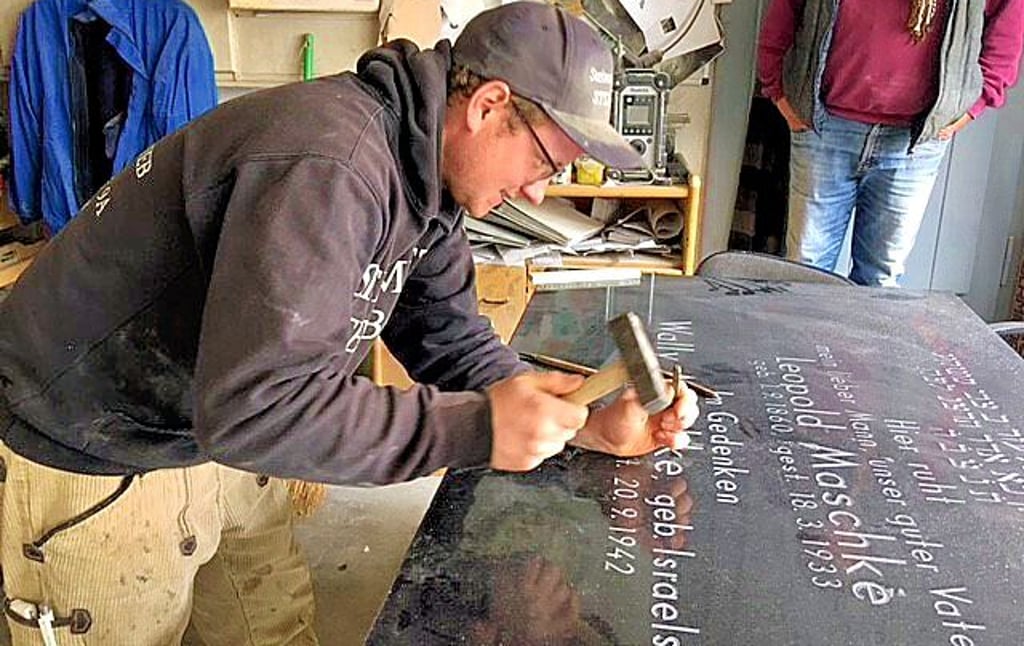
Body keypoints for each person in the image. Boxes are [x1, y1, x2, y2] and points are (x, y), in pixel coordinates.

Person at [0, 2, 699, 644]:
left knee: (271, 627)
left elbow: (448, 339)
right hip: (91, 441)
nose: (538, 192)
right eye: (546, 161)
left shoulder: (427, 176)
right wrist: (479, 426)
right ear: (489, 106)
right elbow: (255, 409)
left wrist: (587, 423)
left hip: (209, 420)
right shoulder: (329, 165)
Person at [758, 0, 1024, 286]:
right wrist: (778, 91)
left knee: (881, 278)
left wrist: (976, 104)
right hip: (825, 126)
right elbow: (785, 10)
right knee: (805, 271)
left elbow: (1008, 22)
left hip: (915, 142)